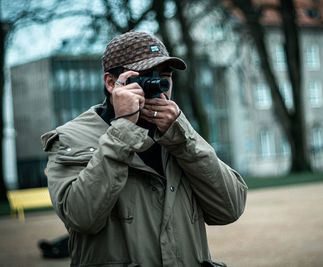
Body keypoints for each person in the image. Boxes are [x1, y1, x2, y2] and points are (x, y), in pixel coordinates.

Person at [41, 31, 247, 267]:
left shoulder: (177, 136)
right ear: (111, 83)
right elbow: (81, 217)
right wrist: (123, 129)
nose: (159, 87)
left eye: (165, 78)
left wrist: (184, 139)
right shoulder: (71, 139)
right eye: (145, 77)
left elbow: (230, 208)